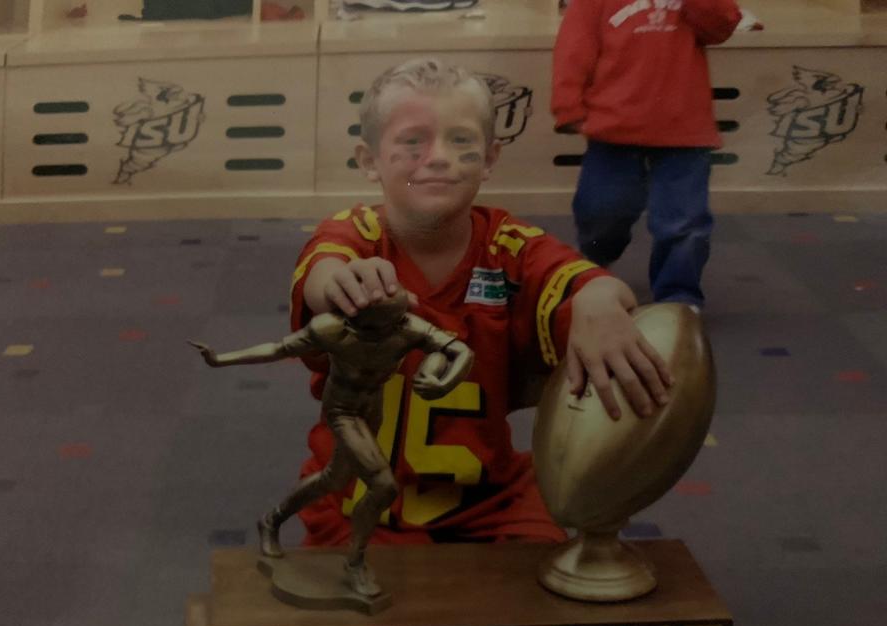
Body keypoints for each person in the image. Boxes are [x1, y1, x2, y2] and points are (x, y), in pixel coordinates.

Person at [292, 58, 673, 548]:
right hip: (354, 503)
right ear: (370, 161)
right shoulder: (351, 235)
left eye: (461, 142)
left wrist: (598, 297)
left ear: (490, 158)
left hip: (489, 502)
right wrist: (343, 285)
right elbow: (323, 273)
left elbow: (586, 281)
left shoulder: (510, 246)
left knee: (547, 589)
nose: (438, 157)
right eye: (412, 142)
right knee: (345, 608)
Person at [188, 290, 473, 596]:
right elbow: (276, 349)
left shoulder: (407, 327)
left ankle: (271, 519)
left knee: (334, 478)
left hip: (372, 405)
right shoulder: (331, 329)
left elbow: (461, 352)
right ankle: (355, 563)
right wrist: (220, 360)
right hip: (342, 409)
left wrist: (443, 382)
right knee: (383, 485)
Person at [551, 0, 742, 309]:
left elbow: (722, 25)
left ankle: (678, 297)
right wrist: (568, 106)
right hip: (614, 128)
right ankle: (595, 261)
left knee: (683, 221)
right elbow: (574, 48)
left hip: (683, 128)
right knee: (600, 213)